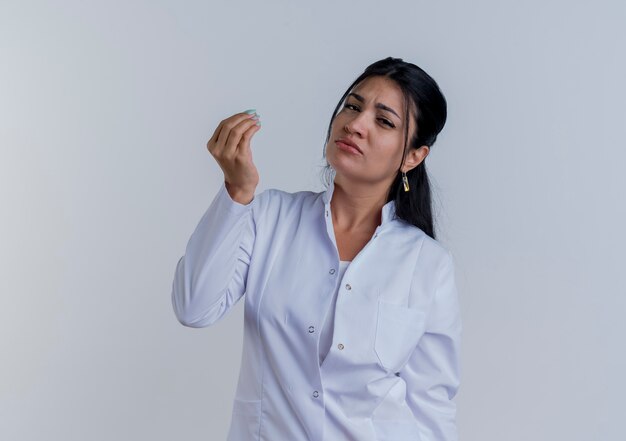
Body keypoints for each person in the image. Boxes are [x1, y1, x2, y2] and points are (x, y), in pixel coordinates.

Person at [171, 56, 462, 441]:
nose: (355, 125)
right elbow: (194, 307)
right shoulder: (269, 217)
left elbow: (431, 408)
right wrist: (237, 193)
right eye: (353, 106)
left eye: (384, 120)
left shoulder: (428, 264)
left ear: (412, 156)